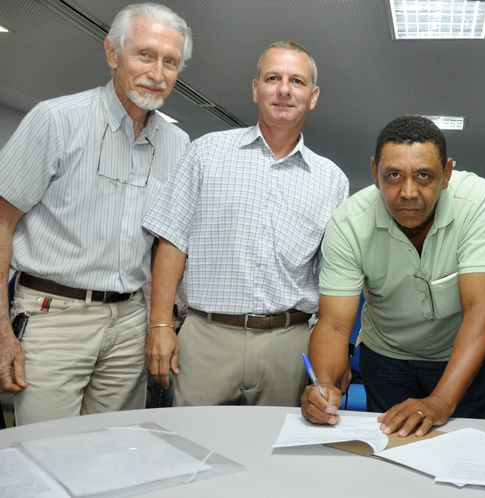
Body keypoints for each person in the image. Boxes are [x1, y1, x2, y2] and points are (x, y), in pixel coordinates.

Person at [0, 3, 192, 424]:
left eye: (170, 62)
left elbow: (168, 242)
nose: (157, 73)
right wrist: (1, 332)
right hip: (53, 314)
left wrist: (159, 324)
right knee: (45, 451)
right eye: (144, 54)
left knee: (113, 450)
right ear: (112, 54)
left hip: (129, 322)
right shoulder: (56, 120)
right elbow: (2, 223)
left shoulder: (178, 144)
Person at [142, 41, 349, 407]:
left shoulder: (332, 180)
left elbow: (331, 277)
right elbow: (171, 241)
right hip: (207, 338)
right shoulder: (206, 152)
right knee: (193, 440)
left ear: (313, 96)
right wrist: (160, 325)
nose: (284, 90)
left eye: (297, 81)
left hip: (289, 344)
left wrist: (335, 357)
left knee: (277, 442)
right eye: (273, 78)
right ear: (255, 89)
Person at [301, 115, 485, 437]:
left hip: (461, 356)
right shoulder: (349, 222)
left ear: (447, 174)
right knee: (390, 453)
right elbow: (334, 324)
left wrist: (440, 400)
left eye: (424, 175)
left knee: (467, 453)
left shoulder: (479, 201)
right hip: (386, 359)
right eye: (393, 175)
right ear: (375, 173)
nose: (408, 192)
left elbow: (481, 310)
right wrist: (323, 387)